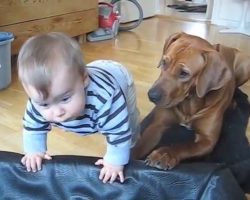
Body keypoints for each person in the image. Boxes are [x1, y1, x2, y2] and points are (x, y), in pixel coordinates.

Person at [17, 32, 140, 184]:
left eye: (65, 98)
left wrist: (115, 161)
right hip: (88, 72)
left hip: (118, 76)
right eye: (45, 105)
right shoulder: (39, 100)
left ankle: (134, 142)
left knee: (128, 122)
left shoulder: (105, 99)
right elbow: (32, 127)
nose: (57, 113)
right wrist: (34, 151)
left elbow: (119, 133)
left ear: (84, 79)